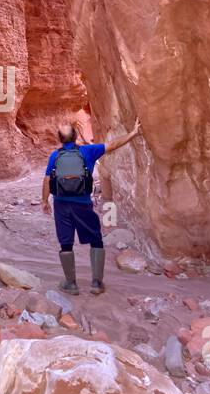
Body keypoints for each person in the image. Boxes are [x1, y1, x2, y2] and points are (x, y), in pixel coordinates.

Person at [41, 118, 142, 294]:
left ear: (60, 139)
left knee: (66, 242)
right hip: (83, 204)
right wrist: (133, 133)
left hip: (61, 204)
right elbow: (112, 145)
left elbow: (47, 180)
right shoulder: (87, 151)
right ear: (76, 136)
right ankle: (96, 284)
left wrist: (44, 201)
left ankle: (70, 284)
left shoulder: (55, 156)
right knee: (96, 239)